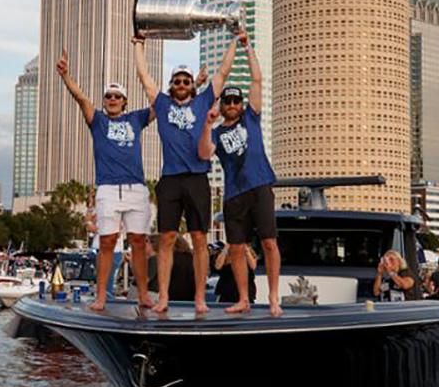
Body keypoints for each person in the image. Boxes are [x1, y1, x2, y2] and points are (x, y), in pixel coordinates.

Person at [134, 29, 242, 315]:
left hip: (197, 178)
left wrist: (234, 39)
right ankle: (164, 297)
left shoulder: (203, 100)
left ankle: (199, 298)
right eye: (177, 81)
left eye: (185, 80)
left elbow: (224, 71)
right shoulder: (163, 103)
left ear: (191, 85)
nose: (181, 84)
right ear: (172, 85)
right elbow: (145, 78)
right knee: (167, 238)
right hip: (170, 179)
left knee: (198, 239)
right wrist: (138, 45)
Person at [56, 49, 154, 311]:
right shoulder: (97, 120)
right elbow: (80, 97)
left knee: (138, 242)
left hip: (136, 187)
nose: (112, 99)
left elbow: (161, 106)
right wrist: (66, 76)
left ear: (124, 101)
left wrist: (194, 86)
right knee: (107, 241)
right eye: (108, 96)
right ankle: (101, 296)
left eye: (117, 96)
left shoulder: (136, 118)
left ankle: (144, 294)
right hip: (108, 188)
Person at [196, 34, 281, 315]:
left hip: (260, 187)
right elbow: (204, 155)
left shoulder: (251, 117)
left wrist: (247, 47)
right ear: (221, 107)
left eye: (235, 100)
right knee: (235, 247)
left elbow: (257, 80)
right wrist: (208, 125)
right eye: (227, 101)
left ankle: (273, 297)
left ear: (242, 104)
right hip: (234, 195)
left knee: (269, 242)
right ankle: (243, 298)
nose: (231, 103)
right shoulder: (218, 132)